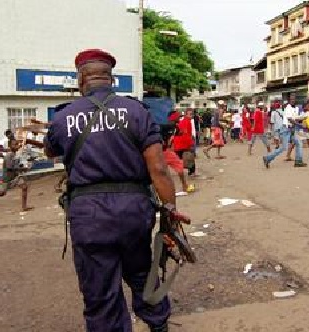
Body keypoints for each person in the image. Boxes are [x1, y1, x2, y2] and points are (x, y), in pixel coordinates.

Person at [44, 49, 186, 332]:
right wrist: (170, 213)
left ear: (81, 79)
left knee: (99, 288)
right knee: (143, 272)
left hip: (89, 215)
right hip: (134, 211)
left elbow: (51, 152)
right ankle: (159, 326)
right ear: (112, 79)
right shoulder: (137, 111)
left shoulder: (63, 118)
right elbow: (158, 169)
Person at [267, 96, 306, 168]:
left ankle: (298, 161)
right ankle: (267, 158)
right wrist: (300, 124)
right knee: (284, 147)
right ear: (289, 101)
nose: (293, 101)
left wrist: (302, 118)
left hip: (291, 129)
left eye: (294, 99)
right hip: (285, 130)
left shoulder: (294, 108)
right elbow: (290, 119)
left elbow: (294, 118)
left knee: (299, 143)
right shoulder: (288, 108)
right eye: (291, 99)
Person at [162, 111, 194, 196]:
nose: (180, 118)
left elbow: (179, 133)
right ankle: (183, 186)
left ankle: (184, 186)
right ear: (173, 118)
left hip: (167, 151)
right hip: (161, 151)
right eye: (178, 117)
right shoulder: (164, 127)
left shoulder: (175, 127)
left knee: (178, 166)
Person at [173, 110, 196, 176]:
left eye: (192, 114)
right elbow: (186, 132)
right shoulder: (187, 122)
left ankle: (182, 171)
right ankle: (191, 172)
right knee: (190, 157)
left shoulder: (183, 121)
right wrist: (190, 143)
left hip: (179, 143)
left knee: (180, 158)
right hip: (184, 142)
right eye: (190, 114)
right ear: (186, 114)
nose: (191, 116)